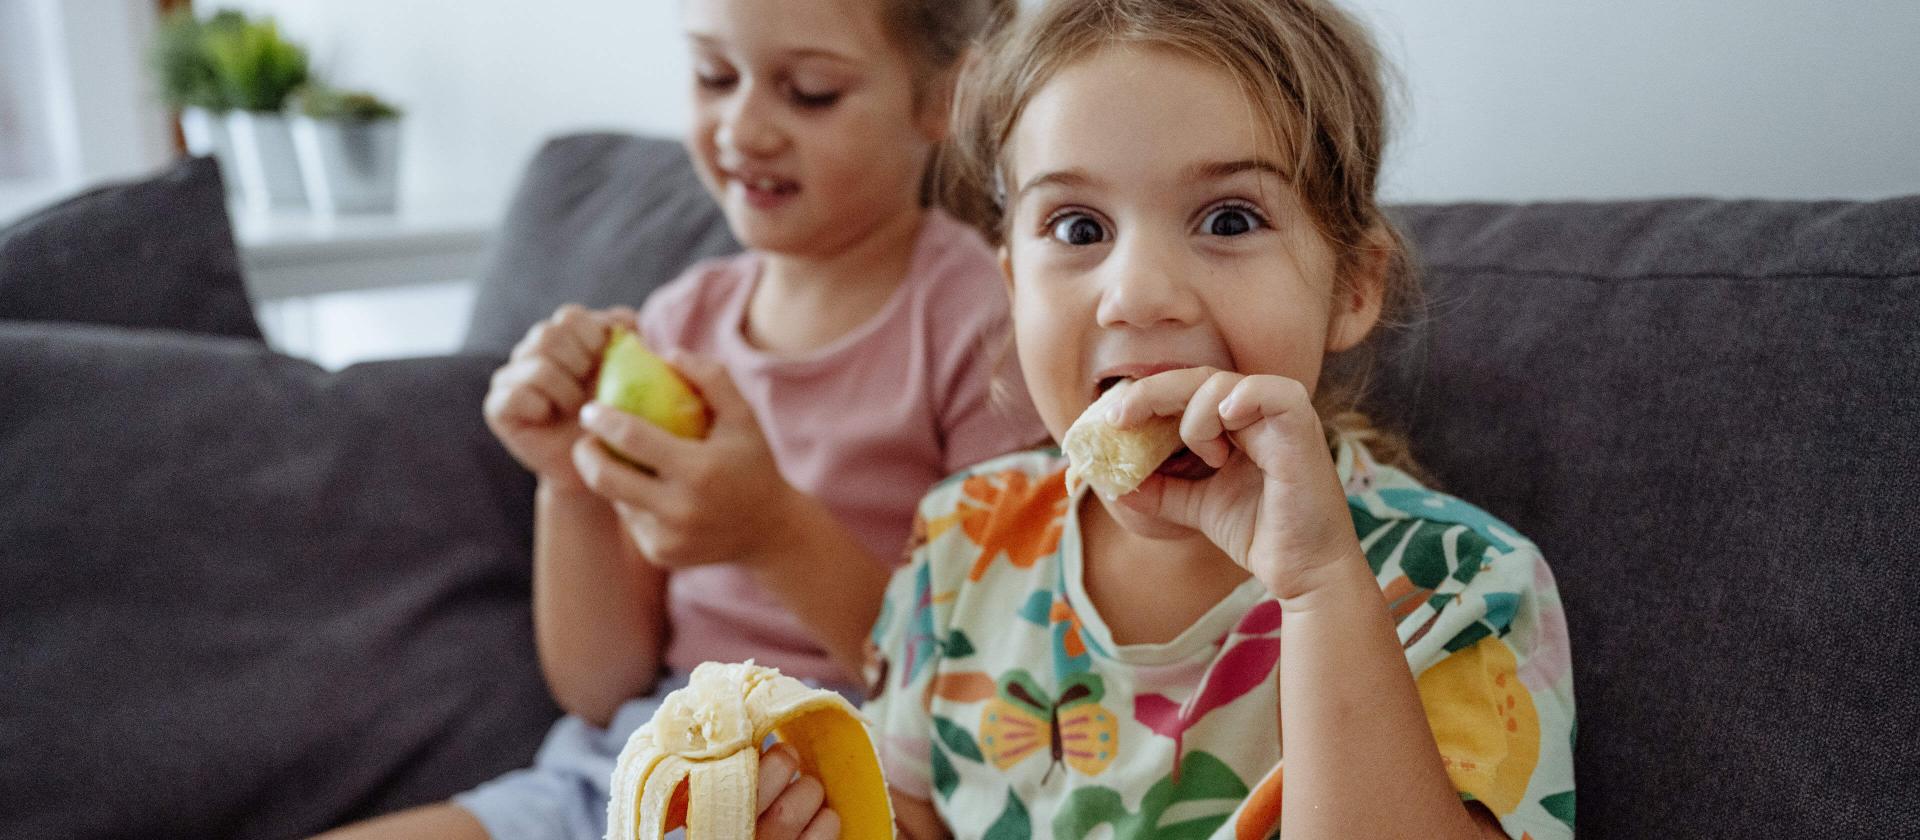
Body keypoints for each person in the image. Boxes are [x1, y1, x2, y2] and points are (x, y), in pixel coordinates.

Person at [753, 0, 1579, 837]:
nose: (1138, 292)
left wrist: (1322, 592)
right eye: (1078, 227)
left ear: (1353, 285)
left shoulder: (1463, 583)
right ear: (1010, 287)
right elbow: (912, 817)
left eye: (1229, 218)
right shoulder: (959, 541)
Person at [316, 0, 1036, 838]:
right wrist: (568, 483)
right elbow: (600, 687)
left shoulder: (985, 323)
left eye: (809, 92)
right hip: (644, 757)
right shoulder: (678, 320)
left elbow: (982, 681)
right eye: (715, 77)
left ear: (942, 96)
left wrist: (772, 531)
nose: (745, 127)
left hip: (843, 779)